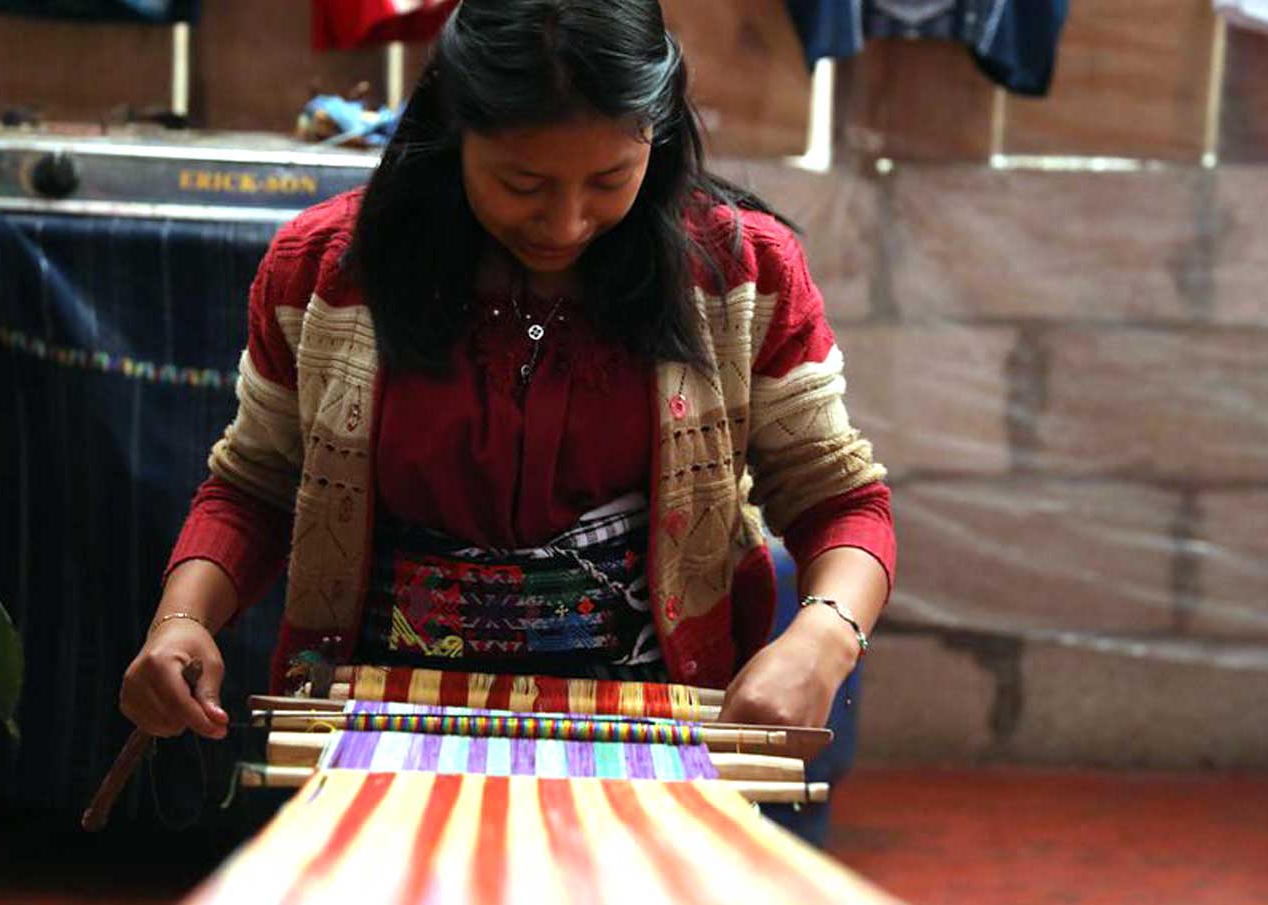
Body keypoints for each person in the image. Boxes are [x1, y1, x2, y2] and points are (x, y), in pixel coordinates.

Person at [120, 0, 894, 805]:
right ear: (455, 131)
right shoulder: (326, 272)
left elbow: (839, 499)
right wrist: (183, 620)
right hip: (383, 720)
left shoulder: (741, 275)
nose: (565, 222)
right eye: (522, 183)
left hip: (643, 727)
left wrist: (823, 636)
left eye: (608, 180)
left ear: (654, 141)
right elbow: (254, 485)